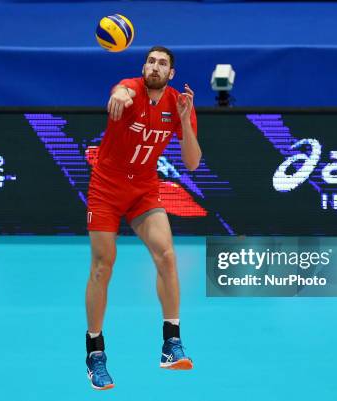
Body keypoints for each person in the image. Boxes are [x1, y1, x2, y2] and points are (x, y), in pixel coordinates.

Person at [84, 46, 201, 390]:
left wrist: (184, 119)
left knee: (167, 256)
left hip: (144, 190)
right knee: (103, 265)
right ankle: (94, 352)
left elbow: (192, 163)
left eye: (162, 63)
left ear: (171, 74)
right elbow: (121, 90)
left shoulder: (179, 103)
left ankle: (171, 344)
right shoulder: (131, 88)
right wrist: (118, 94)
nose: (155, 67)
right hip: (106, 187)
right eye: (150, 61)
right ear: (143, 67)